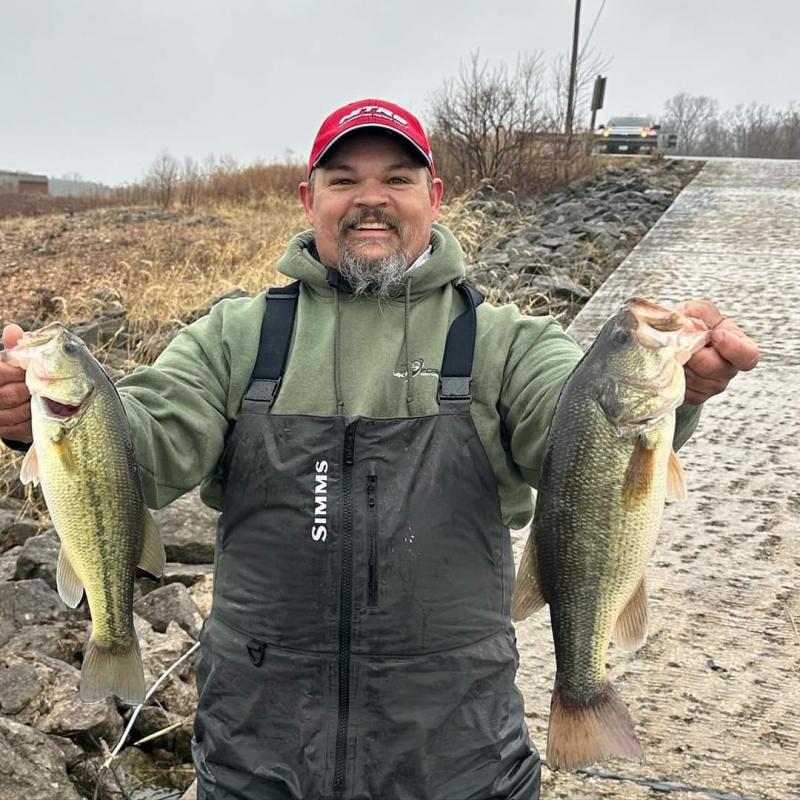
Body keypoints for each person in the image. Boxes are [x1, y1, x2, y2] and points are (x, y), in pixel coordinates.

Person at [0, 99, 760, 800]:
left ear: (435, 196)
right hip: (257, 752)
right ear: (309, 199)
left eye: (397, 178)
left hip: (457, 755)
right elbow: (149, 444)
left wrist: (681, 392)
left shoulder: (506, 342)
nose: (371, 198)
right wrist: (40, 420)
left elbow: (577, 433)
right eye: (344, 180)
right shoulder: (235, 336)